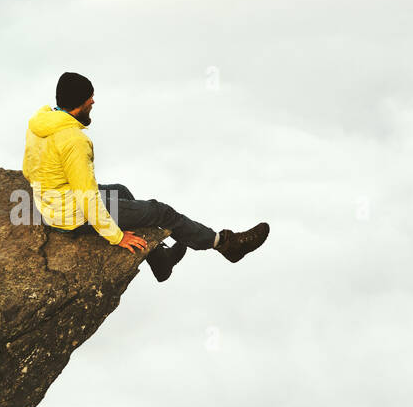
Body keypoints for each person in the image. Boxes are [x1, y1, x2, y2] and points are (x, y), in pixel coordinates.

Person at [21, 71, 269, 282]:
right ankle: (225, 244)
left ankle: (161, 262)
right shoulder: (74, 141)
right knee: (160, 212)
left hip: (51, 205)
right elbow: (86, 198)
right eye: (90, 98)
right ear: (79, 104)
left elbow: (28, 170)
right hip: (71, 216)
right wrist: (116, 236)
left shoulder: (40, 123)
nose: (93, 101)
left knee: (121, 191)